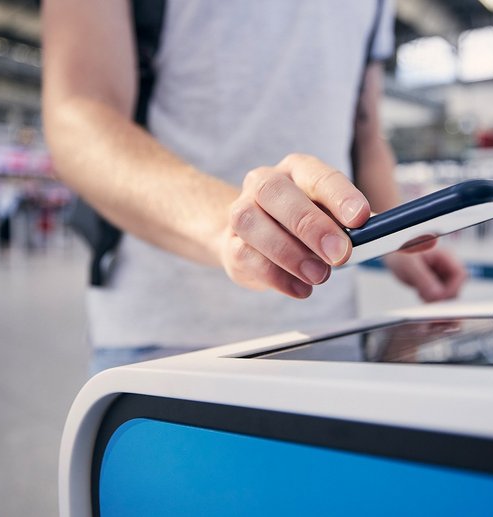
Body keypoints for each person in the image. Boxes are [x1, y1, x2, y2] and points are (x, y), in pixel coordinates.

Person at [41, 0, 468, 373]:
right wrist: (232, 226)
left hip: (329, 329)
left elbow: (365, 132)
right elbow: (77, 114)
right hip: (165, 335)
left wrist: (393, 232)